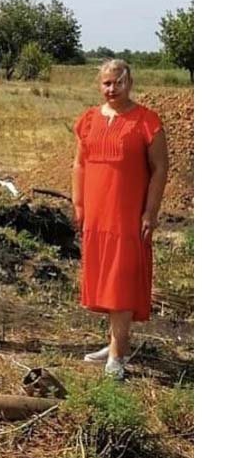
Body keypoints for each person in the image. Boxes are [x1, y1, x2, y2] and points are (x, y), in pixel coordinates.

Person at [72, 59, 168, 380]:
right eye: (106, 83)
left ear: (130, 83)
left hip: (127, 215)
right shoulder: (89, 120)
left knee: (122, 280)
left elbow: (159, 170)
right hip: (97, 215)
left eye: (118, 83)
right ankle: (113, 340)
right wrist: (79, 203)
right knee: (104, 279)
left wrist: (150, 211)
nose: (112, 89)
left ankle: (118, 353)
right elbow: (80, 165)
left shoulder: (146, 121)